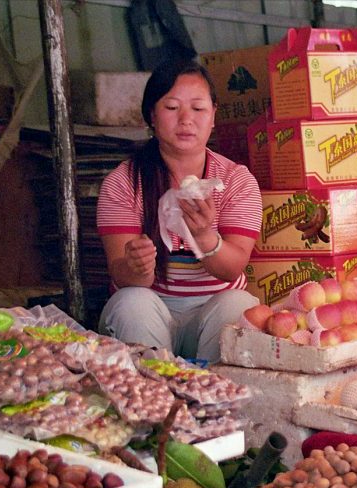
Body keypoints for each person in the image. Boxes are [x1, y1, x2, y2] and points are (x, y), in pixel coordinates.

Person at [96, 59, 261, 362]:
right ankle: (155, 398)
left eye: (198, 109)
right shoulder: (122, 182)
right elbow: (119, 271)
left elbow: (232, 268)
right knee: (131, 301)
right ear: (151, 115)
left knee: (238, 303)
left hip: (212, 313)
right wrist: (138, 268)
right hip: (152, 311)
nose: (186, 119)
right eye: (172, 108)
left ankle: (215, 396)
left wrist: (203, 236)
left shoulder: (236, 180)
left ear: (213, 116)